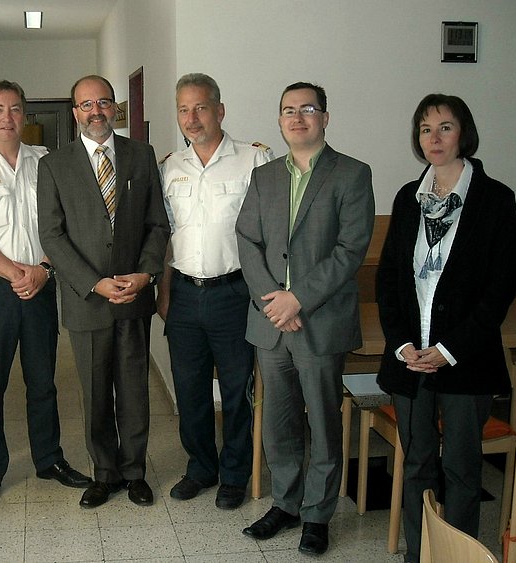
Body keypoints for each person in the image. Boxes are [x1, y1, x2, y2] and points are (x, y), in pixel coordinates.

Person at [375, 94, 516, 563]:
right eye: (424, 130)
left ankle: (456, 557)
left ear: (464, 132)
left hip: (466, 360)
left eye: (444, 128)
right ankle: (419, 556)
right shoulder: (406, 197)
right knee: (416, 465)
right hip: (410, 360)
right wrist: (402, 345)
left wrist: (449, 349)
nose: (433, 139)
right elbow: (390, 280)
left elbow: (498, 291)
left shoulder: (496, 200)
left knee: (461, 470)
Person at [236, 82, 374, 555]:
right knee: (278, 421)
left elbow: (350, 249)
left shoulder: (352, 174)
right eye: (288, 111)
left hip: (320, 321)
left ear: (325, 118)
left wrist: (298, 300)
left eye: (308, 110)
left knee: (323, 423)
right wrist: (275, 301)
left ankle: (318, 513)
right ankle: (286, 503)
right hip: (270, 323)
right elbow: (247, 241)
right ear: (278, 120)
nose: (297, 118)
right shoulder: (265, 176)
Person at [0, 80, 91, 508]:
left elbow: (61, 226)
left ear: (25, 117)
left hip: (42, 287)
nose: (7, 117)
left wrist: (43, 270)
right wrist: (16, 273)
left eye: (14, 109)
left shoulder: (46, 162)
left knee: (43, 380)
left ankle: (49, 459)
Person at [37, 75, 169, 508]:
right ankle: (103, 473)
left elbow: (157, 223)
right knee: (94, 393)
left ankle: (134, 472)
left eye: (104, 103)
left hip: (134, 296)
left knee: (134, 389)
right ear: (75, 112)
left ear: (117, 108)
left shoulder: (141, 155)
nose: (96, 111)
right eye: (86, 104)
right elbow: (52, 237)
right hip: (87, 300)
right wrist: (94, 282)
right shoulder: (54, 165)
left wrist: (146, 274)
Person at [157, 73, 274, 510]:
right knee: (188, 390)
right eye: (184, 109)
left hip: (235, 293)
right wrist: (165, 294)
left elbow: (271, 233)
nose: (192, 117)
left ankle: (235, 474)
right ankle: (201, 468)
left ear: (220, 110)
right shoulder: (171, 166)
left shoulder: (255, 160)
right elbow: (167, 237)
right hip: (185, 293)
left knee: (238, 390)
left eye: (201, 107)